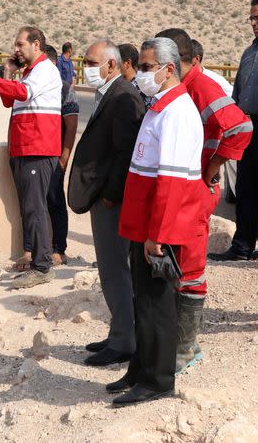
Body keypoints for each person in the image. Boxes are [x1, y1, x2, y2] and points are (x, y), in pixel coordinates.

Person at [108, 37, 205, 406]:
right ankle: (140, 370)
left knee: (156, 305)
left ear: (168, 70)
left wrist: (158, 236)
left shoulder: (178, 112)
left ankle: (158, 380)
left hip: (157, 229)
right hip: (143, 224)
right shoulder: (159, 106)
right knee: (142, 300)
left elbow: (172, 183)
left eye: (147, 68)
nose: (142, 74)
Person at [154, 28, 252, 373]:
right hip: (182, 186)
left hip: (195, 189)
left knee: (191, 266)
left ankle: (185, 349)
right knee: (177, 261)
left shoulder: (201, 86)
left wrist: (212, 166)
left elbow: (240, 127)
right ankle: (175, 342)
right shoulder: (182, 87)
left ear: (176, 60)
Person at [67, 39, 144, 367]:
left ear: (112, 65)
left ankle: (125, 341)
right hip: (104, 196)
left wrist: (111, 194)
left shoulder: (123, 97)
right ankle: (119, 332)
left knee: (115, 270)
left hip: (112, 200)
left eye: (91, 62)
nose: (86, 68)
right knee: (109, 269)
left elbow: (126, 154)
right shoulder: (110, 93)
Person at [0, 26, 62, 289]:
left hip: (38, 149)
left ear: (36, 45)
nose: (16, 49)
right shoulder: (29, 73)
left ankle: (42, 266)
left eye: (20, 45)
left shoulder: (44, 70)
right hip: (24, 148)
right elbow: (10, 101)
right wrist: (7, 74)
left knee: (36, 208)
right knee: (29, 208)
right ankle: (37, 264)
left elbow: (22, 94)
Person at [209, 0, 258, 261]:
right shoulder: (250, 51)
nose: (253, 23)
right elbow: (239, 91)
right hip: (246, 126)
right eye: (251, 18)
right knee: (246, 189)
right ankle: (241, 247)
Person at [35, 44, 80, 266]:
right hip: (37, 155)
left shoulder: (64, 89)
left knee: (54, 200)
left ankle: (59, 248)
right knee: (37, 202)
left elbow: (71, 127)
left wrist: (64, 158)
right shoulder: (34, 86)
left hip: (54, 157)